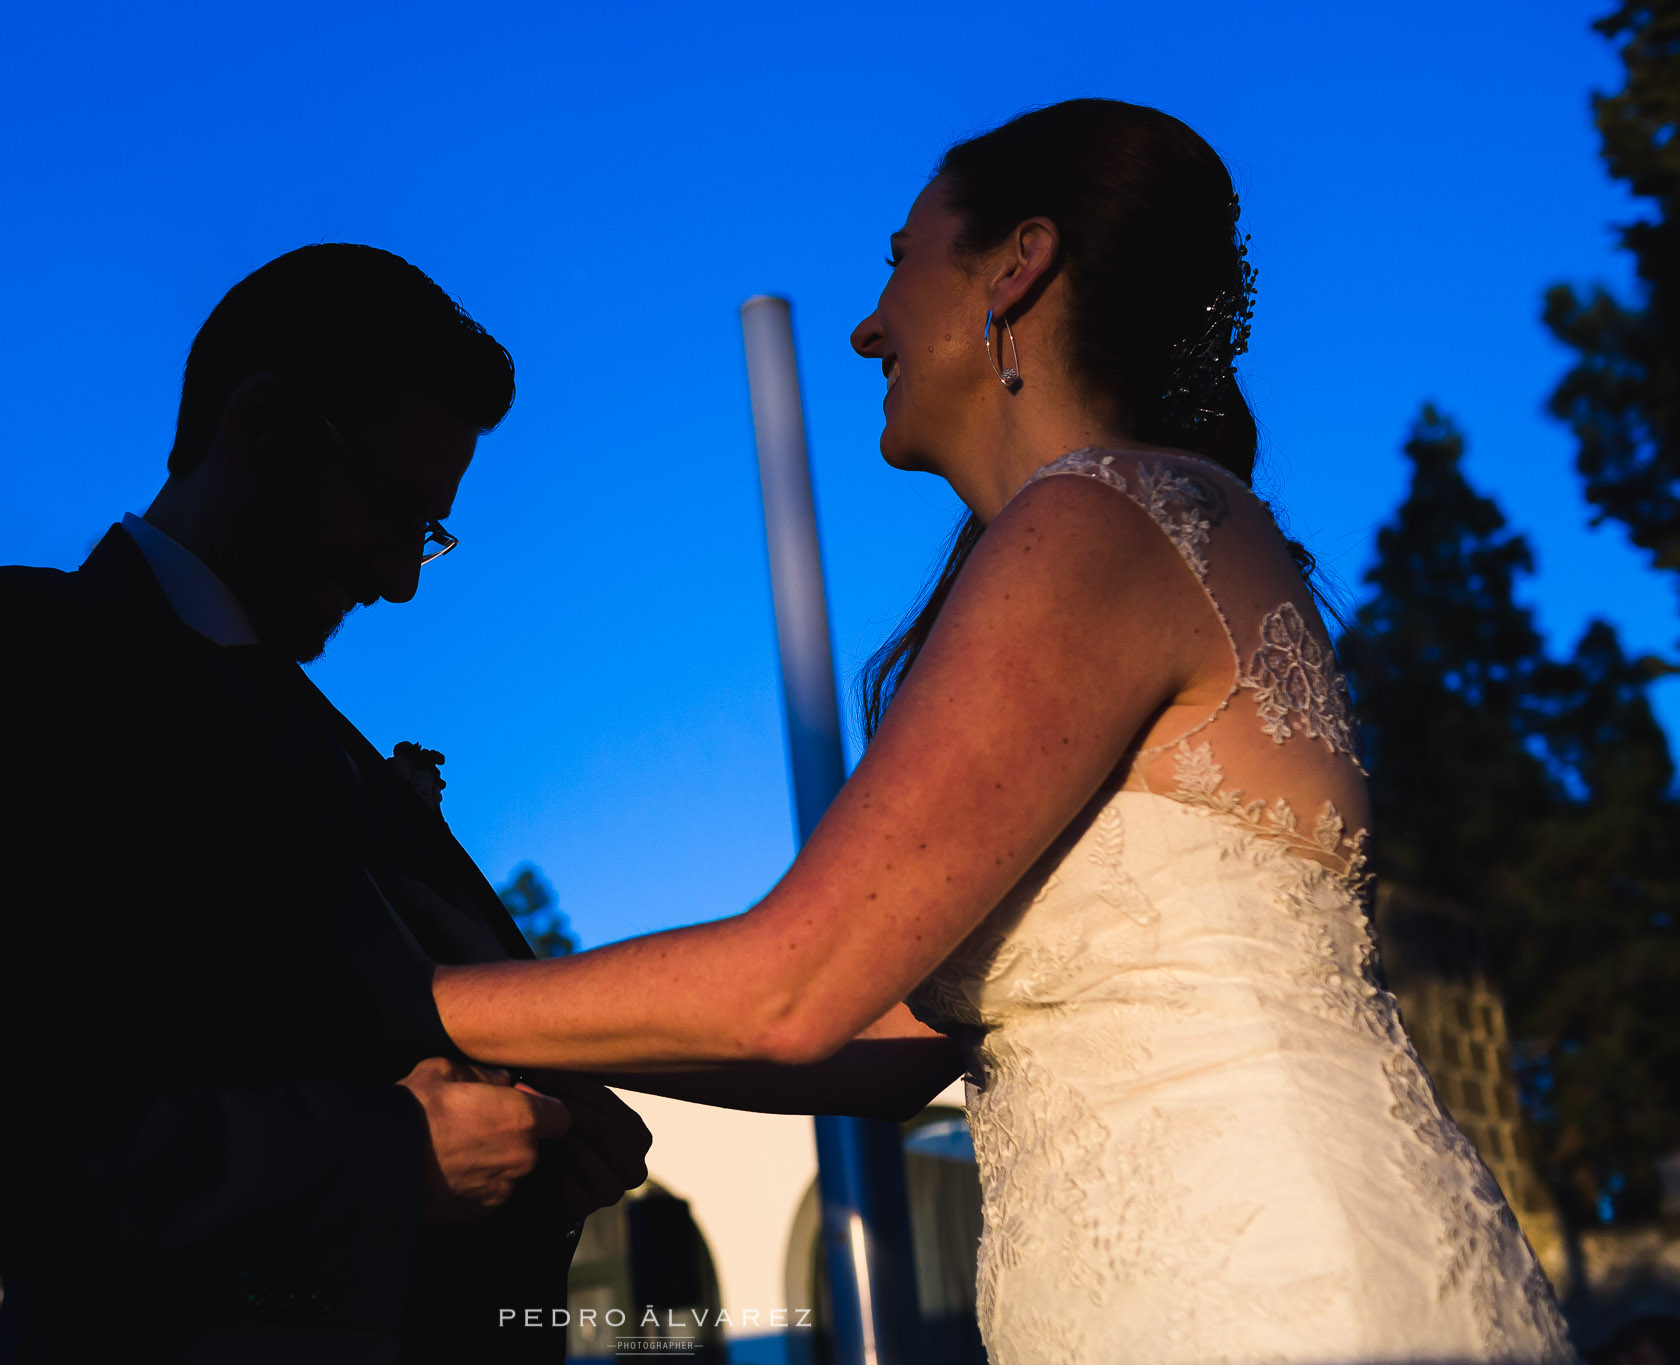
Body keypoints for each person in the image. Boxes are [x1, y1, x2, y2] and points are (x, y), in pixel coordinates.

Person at [425, 100, 1578, 1363]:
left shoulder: (1096, 522)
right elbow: (882, 1042)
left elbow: (791, 984)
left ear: (1015, 266)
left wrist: (394, 998)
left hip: (1263, 1287)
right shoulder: (1148, 524)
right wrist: (567, 1056)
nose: (869, 323)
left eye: (899, 257)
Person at [0, 243, 650, 1365]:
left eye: (426, 531)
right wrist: (386, 1161)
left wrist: (542, 1146)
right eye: (392, 508)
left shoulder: (323, 740)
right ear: (254, 426)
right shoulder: (25, 650)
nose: (400, 578)